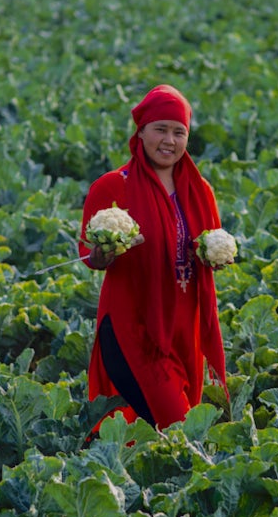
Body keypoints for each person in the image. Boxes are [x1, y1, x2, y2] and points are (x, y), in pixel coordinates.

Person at [79, 84, 228, 433]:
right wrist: (103, 254)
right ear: (141, 131)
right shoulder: (113, 186)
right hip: (133, 329)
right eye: (160, 128)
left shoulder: (200, 191)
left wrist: (216, 257)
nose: (169, 140)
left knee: (149, 432)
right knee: (179, 427)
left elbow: (207, 246)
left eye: (179, 132)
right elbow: (89, 256)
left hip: (183, 329)